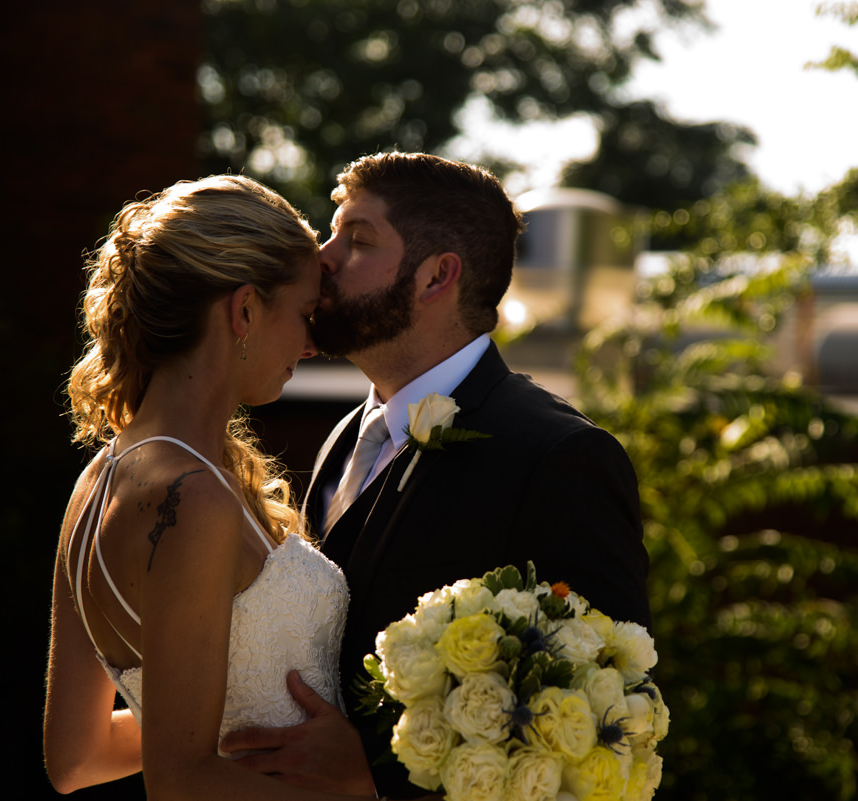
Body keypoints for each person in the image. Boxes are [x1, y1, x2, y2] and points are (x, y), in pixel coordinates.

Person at [222, 152, 651, 797]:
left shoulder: (558, 457)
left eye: (358, 239)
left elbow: (605, 717)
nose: (324, 257)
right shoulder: (347, 434)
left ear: (436, 276)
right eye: (331, 232)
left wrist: (370, 773)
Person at [42, 174, 375, 799]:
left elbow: (77, 758)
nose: (310, 344)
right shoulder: (193, 497)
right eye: (303, 314)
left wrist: (222, 726)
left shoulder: (94, 486)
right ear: (244, 309)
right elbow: (181, 777)